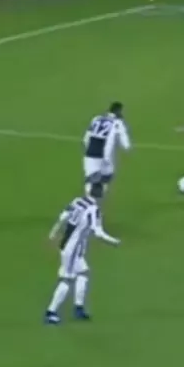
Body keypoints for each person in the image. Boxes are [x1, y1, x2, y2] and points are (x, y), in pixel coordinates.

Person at [44, 182, 120, 325]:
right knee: (66, 280)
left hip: (69, 247)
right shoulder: (94, 210)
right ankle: (50, 312)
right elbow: (98, 233)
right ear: (101, 195)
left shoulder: (78, 201)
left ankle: (78, 308)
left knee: (83, 273)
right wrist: (114, 241)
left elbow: (63, 217)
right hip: (72, 250)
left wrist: (53, 233)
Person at [83, 102, 131, 197]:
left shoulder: (96, 119)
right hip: (103, 155)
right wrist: (127, 147)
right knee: (107, 175)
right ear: (118, 111)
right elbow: (125, 142)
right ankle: (97, 196)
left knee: (91, 179)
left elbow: (86, 137)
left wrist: (89, 149)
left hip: (90, 153)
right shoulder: (117, 122)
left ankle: (89, 198)